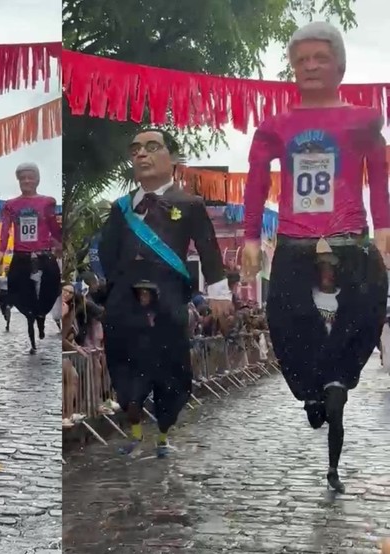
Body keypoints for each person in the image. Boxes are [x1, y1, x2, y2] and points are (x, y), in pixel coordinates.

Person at [240, 22, 389, 493]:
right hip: (294, 240)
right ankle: (318, 388)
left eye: (320, 57)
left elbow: (379, 177)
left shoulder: (363, 120)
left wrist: (385, 228)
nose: (309, 66)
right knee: (285, 319)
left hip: (349, 238)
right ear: (292, 67)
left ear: (340, 66)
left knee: (365, 311)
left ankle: (334, 381)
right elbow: (256, 181)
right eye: (301, 59)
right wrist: (249, 236)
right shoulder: (275, 127)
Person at [99, 128, 232, 458]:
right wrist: (117, 285)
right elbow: (107, 251)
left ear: (171, 157)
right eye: (135, 150)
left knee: (170, 367)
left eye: (151, 147)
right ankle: (134, 432)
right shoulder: (121, 208)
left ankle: (162, 434)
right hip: (124, 301)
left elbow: (209, 250)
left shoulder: (190, 204)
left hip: (168, 298)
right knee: (123, 364)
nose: (141, 154)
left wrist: (220, 294)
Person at [0, 163, 64, 354]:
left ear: (37, 179)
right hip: (21, 255)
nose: (26, 181)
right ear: (18, 181)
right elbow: (5, 230)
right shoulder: (10, 205)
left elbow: (53, 227)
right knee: (17, 287)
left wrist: (60, 243)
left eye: (30, 177)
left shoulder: (47, 202)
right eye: (22, 178)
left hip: (44, 253)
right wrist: (1, 251)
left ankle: (42, 316)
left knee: (53, 282)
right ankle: (30, 320)